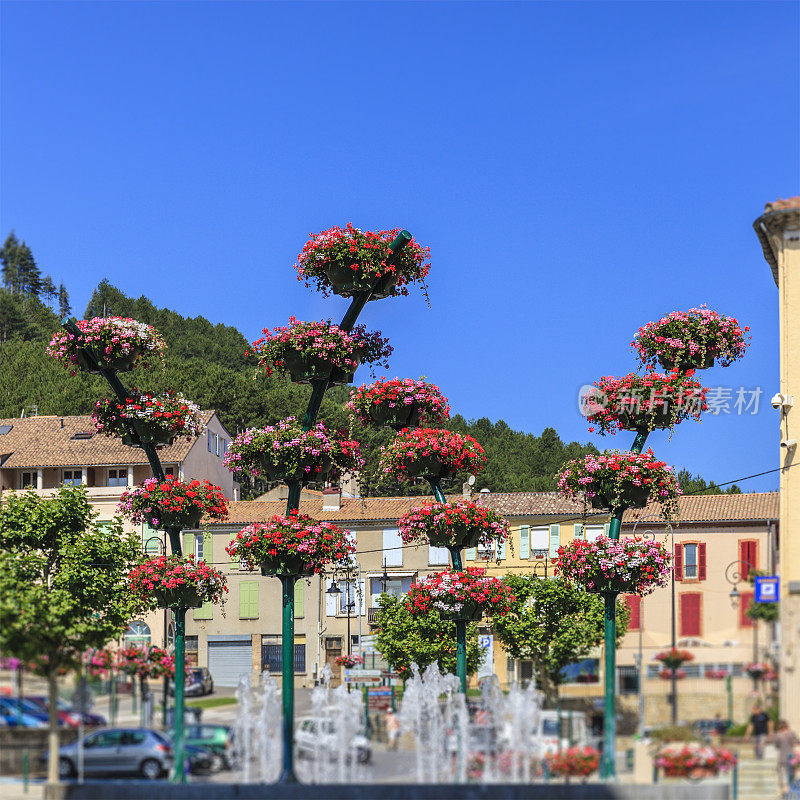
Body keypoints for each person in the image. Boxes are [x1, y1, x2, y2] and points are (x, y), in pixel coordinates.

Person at [774, 720, 797, 799]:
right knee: (791, 776)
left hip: (781, 758)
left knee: (781, 777)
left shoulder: (778, 735)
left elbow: (777, 746)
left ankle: (784, 793)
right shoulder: (792, 733)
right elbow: (796, 741)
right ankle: (791, 792)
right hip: (791, 758)